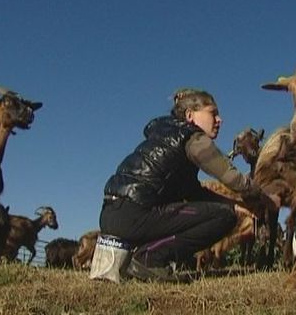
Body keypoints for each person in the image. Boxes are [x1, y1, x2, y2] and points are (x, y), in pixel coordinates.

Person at [99, 88, 276, 282]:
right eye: (213, 113)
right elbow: (233, 178)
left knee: (223, 211)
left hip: (112, 214)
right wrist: (265, 197)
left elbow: (195, 193)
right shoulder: (193, 137)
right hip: (137, 213)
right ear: (190, 115)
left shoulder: (165, 135)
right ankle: (149, 258)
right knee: (224, 217)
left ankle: (137, 255)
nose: (220, 120)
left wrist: (237, 205)